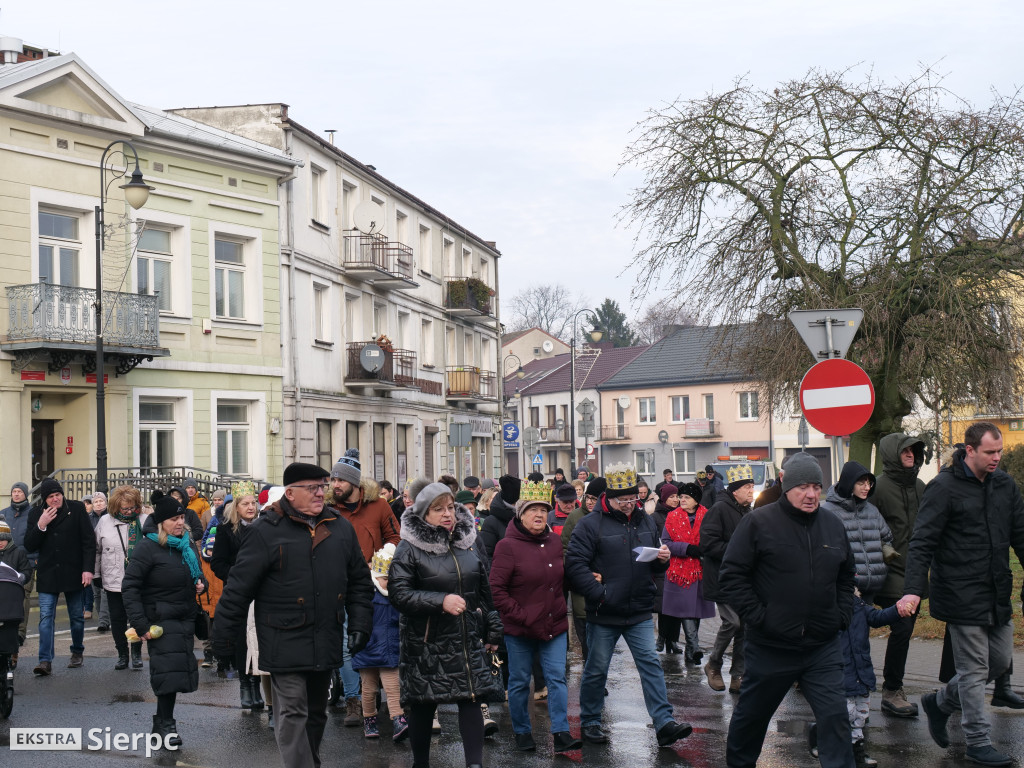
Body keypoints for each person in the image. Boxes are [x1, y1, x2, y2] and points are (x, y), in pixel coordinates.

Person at [213, 462, 373, 768]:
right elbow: (237, 590)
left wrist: (361, 623)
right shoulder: (265, 531)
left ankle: (308, 761)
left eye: (322, 487)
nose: (319, 493)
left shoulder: (339, 527)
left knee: (316, 711)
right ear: (290, 493)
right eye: (311, 488)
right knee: (292, 710)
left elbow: (359, 583)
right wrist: (223, 640)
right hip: (282, 636)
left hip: (325, 633)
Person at [719, 451, 856, 768]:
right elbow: (732, 576)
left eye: (816, 487)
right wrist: (760, 618)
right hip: (772, 646)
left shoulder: (833, 526)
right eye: (803, 487)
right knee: (751, 717)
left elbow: (846, 576)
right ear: (785, 485)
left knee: (836, 718)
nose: (811, 494)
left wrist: (842, 614)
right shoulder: (758, 522)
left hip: (822, 647)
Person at [899, 422, 1024, 768]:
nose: (997, 458)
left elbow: (1021, 534)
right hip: (959, 591)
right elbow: (922, 542)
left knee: (998, 662)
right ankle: (977, 742)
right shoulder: (944, 488)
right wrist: (912, 591)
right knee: (973, 669)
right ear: (969, 451)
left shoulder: (1005, 485)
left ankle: (939, 703)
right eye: (990, 452)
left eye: (999, 451)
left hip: (996, 590)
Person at [565, 463, 693, 749]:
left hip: (638, 610)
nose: (627, 505)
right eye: (622, 501)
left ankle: (664, 723)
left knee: (650, 665)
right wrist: (600, 593)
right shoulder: (590, 524)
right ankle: (590, 722)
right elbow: (574, 565)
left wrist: (663, 559)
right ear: (608, 498)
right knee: (597, 669)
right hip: (604, 610)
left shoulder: (645, 520)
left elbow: (656, 561)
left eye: (632, 500)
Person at [388, 482, 505, 768]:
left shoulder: (468, 541)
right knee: (424, 702)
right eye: (438, 509)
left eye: (450, 507)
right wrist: (441, 600)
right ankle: (421, 763)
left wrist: (492, 627)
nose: (447, 514)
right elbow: (399, 593)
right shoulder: (409, 548)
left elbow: (485, 590)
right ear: (424, 514)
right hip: (426, 641)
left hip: (465, 637)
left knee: (471, 699)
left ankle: (474, 764)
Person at [490, 481, 582, 753]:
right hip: (519, 628)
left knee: (556, 678)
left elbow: (563, 579)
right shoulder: (507, 546)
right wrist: (521, 616)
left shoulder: (554, 541)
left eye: (543, 509)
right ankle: (522, 732)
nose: (539, 515)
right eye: (533, 510)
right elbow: (497, 590)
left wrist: (586, 579)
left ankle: (561, 733)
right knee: (519, 682)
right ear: (520, 514)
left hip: (553, 624)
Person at [819, 461, 897, 766]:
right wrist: (841, 584)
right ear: (848, 482)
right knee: (843, 648)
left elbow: (885, 536)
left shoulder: (871, 510)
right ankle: (841, 723)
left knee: (859, 643)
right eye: (861, 483)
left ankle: (854, 731)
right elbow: (825, 548)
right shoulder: (829, 511)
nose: (866, 488)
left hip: (871, 584)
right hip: (844, 590)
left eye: (869, 484)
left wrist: (887, 553)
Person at [122, 493, 207, 747]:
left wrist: (200, 583)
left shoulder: (187, 545)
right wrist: (141, 625)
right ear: (161, 523)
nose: (180, 523)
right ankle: (167, 726)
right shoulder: (148, 547)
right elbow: (130, 587)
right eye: (174, 519)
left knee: (175, 673)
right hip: (159, 621)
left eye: (182, 517)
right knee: (168, 673)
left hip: (184, 618)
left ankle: (161, 722)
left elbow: (196, 573)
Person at [326, 450, 401, 726]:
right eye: (333, 479)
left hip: (373, 586)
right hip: (338, 585)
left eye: (340, 480)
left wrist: (380, 564)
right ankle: (353, 702)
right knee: (346, 645)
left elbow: (395, 537)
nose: (335, 485)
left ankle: (382, 698)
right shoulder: (329, 510)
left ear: (355, 484)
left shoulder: (380, 506)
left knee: (376, 641)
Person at [872, 432, 926, 717]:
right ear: (893, 454)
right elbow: (865, 525)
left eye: (914, 451)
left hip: (913, 573)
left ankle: (892, 689)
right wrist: (883, 549)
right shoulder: (877, 487)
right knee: (852, 628)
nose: (910, 454)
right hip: (882, 572)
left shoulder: (919, 485)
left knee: (903, 632)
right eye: (905, 450)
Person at [25, 478, 95, 676]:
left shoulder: (77, 509)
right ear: (44, 499)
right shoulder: (36, 514)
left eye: (57, 495)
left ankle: (77, 651)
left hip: (74, 572)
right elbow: (29, 545)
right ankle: (45, 660)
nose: (55, 499)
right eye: (50, 497)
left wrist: (87, 569)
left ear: (62, 494)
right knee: (46, 617)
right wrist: (41, 525)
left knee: (76, 617)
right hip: (48, 574)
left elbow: (89, 542)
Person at [210, 481, 265, 713]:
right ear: (236, 507)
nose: (250, 507)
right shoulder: (225, 530)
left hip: (262, 592)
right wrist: (237, 575)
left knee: (260, 640)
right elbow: (217, 563)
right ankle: (245, 684)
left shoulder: (265, 527)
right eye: (245, 504)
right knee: (243, 640)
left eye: (253, 503)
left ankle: (258, 684)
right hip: (239, 592)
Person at [701, 465, 754, 693]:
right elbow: (708, 543)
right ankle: (713, 663)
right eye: (747, 487)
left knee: (745, 627)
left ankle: (738, 676)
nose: (752, 491)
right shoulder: (719, 509)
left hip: (743, 579)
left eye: (752, 486)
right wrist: (737, 551)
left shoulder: (748, 511)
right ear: (735, 490)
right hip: (721, 578)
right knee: (733, 622)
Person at [351, 543, 409, 742]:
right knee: (369, 689)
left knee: (394, 687)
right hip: (368, 648)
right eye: (385, 579)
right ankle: (369, 718)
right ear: (376, 577)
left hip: (390, 648)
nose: (389, 583)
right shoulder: (366, 595)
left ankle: (398, 719)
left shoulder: (396, 596)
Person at [661, 482, 716, 665]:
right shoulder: (672, 516)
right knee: (686, 610)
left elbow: (714, 538)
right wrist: (687, 548)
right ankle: (695, 645)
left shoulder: (707, 516)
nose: (681, 500)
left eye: (686, 497)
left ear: (696, 500)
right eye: (680, 496)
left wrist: (704, 549)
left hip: (701, 570)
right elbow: (666, 543)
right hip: (679, 571)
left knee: (696, 611)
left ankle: (690, 653)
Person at [94, 484, 147, 670]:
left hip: (139, 580)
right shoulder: (104, 522)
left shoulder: (144, 520)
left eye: (132, 507)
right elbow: (97, 551)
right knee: (117, 619)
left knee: (137, 618)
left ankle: (136, 653)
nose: (129, 511)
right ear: (116, 507)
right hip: (113, 579)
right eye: (125, 508)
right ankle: (122, 654)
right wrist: (96, 574)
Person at [560, 477, 605, 664]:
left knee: (602, 640)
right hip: (580, 584)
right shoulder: (575, 517)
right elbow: (564, 549)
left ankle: (597, 675)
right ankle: (591, 676)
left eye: (595, 499)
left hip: (604, 586)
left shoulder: (608, 518)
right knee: (585, 634)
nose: (590, 502)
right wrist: (579, 573)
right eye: (588, 497)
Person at [1, 481, 34, 654]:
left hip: (25, 562)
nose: (16, 494)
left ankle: (20, 632)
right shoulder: (3, 513)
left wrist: (35, 559)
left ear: (25, 494)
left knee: (23, 596)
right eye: (14, 491)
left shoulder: (32, 514)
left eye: (19, 491)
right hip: (4, 562)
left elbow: (36, 537)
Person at [649, 483, 679, 653]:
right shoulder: (655, 517)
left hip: (678, 563)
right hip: (662, 563)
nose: (675, 500)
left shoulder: (680, 514)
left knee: (675, 603)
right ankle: (662, 637)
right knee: (663, 603)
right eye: (672, 497)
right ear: (664, 498)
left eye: (677, 496)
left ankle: (673, 640)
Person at [84, 491, 109, 628]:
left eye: (101, 501)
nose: (99, 503)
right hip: (93, 557)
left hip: (107, 556)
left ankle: (104, 621)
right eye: (96, 501)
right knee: (96, 591)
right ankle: (102, 616)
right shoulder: (88, 518)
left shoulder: (111, 517)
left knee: (105, 589)